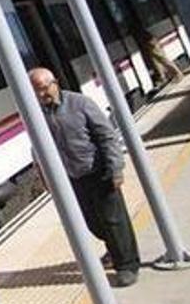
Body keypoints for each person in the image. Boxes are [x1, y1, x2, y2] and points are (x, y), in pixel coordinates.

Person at [27, 67, 141, 287]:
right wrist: (43, 176)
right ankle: (114, 248)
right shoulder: (36, 115)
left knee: (114, 220)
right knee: (92, 222)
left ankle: (127, 265)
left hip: (98, 171)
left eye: (43, 88)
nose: (41, 95)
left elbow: (106, 136)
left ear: (55, 83)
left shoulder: (80, 103)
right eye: (36, 91)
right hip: (72, 176)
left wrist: (115, 168)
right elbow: (37, 149)